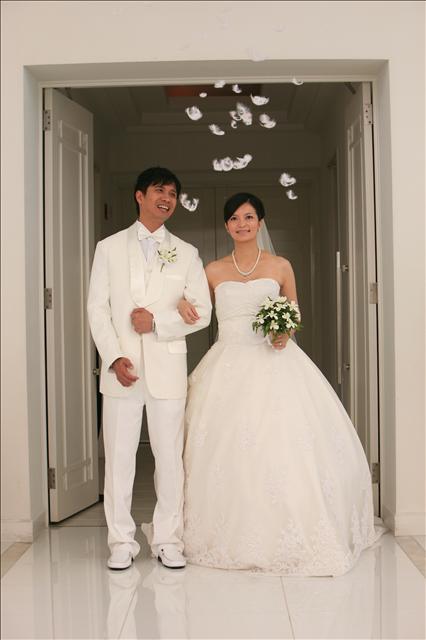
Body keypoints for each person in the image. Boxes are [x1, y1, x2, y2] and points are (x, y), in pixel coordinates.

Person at [179, 192, 385, 576]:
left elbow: (294, 312)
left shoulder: (280, 265)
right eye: (234, 218)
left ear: (260, 222)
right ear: (226, 226)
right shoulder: (213, 270)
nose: (242, 224)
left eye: (249, 217)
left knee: (282, 444)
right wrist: (180, 304)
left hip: (275, 361)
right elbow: (196, 311)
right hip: (226, 364)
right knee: (226, 448)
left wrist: (284, 332)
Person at [87, 167, 212, 571]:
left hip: (167, 370)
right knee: (119, 458)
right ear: (140, 196)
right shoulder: (108, 248)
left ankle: (168, 539)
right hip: (121, 370)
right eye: (160, 191)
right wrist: (113, 357)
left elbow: (203, 312)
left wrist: (157, 322)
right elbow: (97, 309)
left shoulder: (187, 253)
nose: (167, 199)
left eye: (173, 193)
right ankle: (121, 541)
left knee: (170, 459)